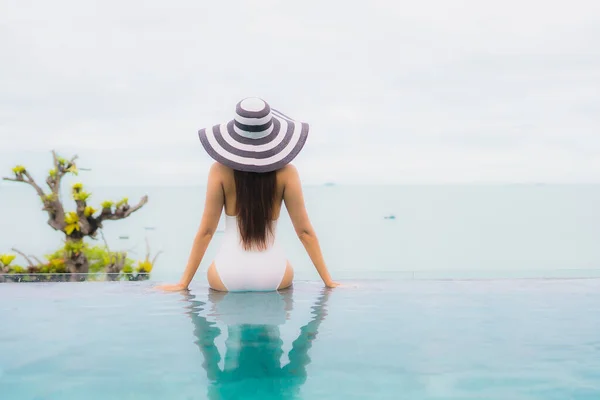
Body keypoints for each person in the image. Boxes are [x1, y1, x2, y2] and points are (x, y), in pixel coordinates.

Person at [157, 97, 339, 292]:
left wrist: (183, 283)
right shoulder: (288, 173)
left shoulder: (219, 171)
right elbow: (305, 233)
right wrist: (329, 282)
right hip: (274, 275)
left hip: (227, 275)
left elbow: (206, 232)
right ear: (271, 133)